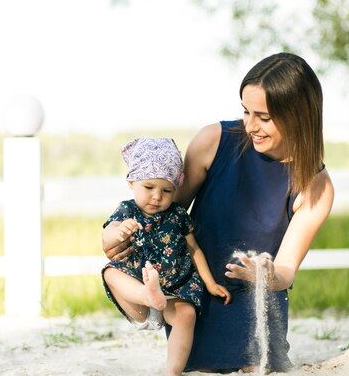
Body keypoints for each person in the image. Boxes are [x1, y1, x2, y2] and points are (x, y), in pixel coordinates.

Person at [102, 52, 335, 373]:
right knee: (112, 272)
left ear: (298, 115)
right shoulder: (213, 140)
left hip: (254, 303)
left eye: (263, 117)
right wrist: (120, 239)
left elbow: (286, 269)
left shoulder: (316, 185)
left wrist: (266, 275)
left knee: (259, 361)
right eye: (245, 111)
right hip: (191, 294)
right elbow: (164, 215)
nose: (251, 125)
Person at [101, 137, 231, 376]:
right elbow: (107, 236)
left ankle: (173, 371)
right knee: (111, 272)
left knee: (186, 315)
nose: (157, 197)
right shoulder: (127, 210)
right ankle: (148, 295)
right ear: (132, 182)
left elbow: (194, 250)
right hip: (139, 293)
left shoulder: (178, 214)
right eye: (149, 187)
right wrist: (118, 232)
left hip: (175, 289)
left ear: (176, 188)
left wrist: (210, 283)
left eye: (167, 190)